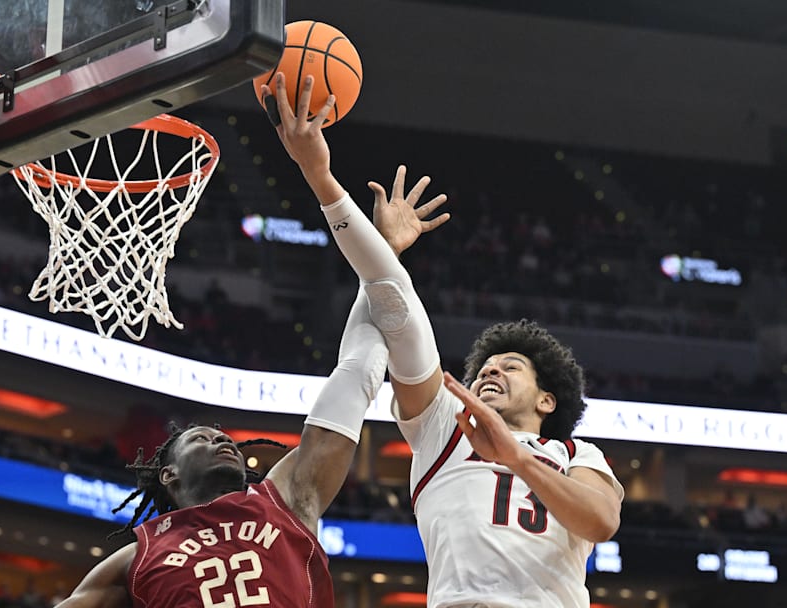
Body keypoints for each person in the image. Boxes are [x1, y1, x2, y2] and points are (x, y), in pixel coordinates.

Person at [264, 72, 624, 608]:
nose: (490, 372)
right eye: (486, 366)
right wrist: (321, 179)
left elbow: (600, 522)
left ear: (547, 399)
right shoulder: (442, 425)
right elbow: (394, 304)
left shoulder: (575, 453)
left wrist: (518, 460)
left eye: (511, 366)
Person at [54, 285, 403, 607]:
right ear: (168, 474)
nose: (221, 439)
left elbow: (355, 377)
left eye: (224, 438)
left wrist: (378, 264)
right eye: (200, 438)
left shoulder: (284, 501)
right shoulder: (137, 558)